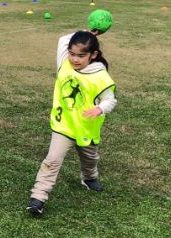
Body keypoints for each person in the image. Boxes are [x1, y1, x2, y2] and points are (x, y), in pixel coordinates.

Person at [27, 25, 116, 216]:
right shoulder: (64, 63)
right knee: (51, 160)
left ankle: (89, 178)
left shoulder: (101, 76)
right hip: (63, 126)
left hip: (86, 128)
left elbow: (110, 100)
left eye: (81, 55)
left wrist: (99, 108)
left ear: (93, 55)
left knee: (90, 158)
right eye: (72, 54)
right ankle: (38, 198)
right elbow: (62, 41)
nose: (75, 59)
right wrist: (88, 32)